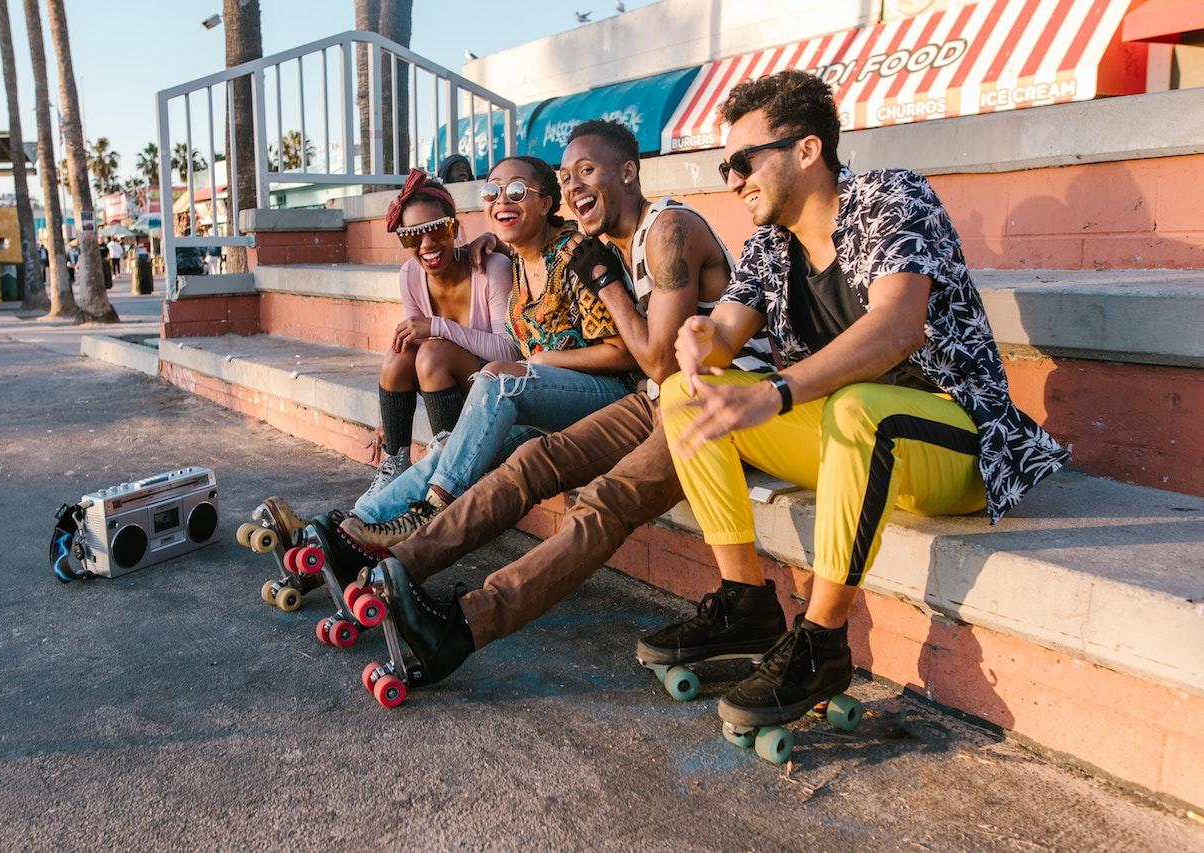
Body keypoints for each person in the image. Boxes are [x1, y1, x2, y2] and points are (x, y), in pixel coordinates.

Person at [652, 71, 1068, 730]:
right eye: (722, 164)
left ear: (807, 151)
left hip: (957, 440)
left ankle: (820, 641)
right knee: (680, 396)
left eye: (742, 160)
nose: (731, 178)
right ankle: (744, 602)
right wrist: (701, 341)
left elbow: (897, 327)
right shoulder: (770, 241)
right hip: (856, 445)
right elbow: (723, 335)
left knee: (858, 407)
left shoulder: (891, 198)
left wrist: (779, 390)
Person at [361, 119, 777, 687]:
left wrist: (605, 281)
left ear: (629, 172)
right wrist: (485, 239)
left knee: (603, 502)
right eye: (567, 176)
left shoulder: (669, 228)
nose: (576, 186)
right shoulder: (609, 238)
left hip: (716, 406)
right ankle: (397, 569)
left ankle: (459, 630)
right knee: (533, 461)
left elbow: (655, 360)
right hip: (658, 402)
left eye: (588, 171)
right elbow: (543, 229)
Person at [338, 155, 639, 555]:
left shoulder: (578, 256)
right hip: (545, 400)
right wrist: (493, 239)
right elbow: (502, 244)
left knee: (500, 379)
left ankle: (434, 507)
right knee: (449, 448)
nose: (502, 200)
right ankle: (349, 531)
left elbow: (623, 354)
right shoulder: (516, 261)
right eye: (492, 191)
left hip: (607, 396)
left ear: (546, 203)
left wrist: (543, 363)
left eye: (516, 191)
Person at [363, 167, 519, 503]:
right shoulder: (410, 276)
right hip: (441, 390)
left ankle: (449, 469)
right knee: (400, 352)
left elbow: (509, 352)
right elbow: (410, 349)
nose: (428, 244)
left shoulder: (491, 269)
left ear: (455, 227)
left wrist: (437, 326)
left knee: (432, 351)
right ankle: (396, 462)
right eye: (412, 236)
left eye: (437, 230)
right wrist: (387, 422)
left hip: (490, 389)